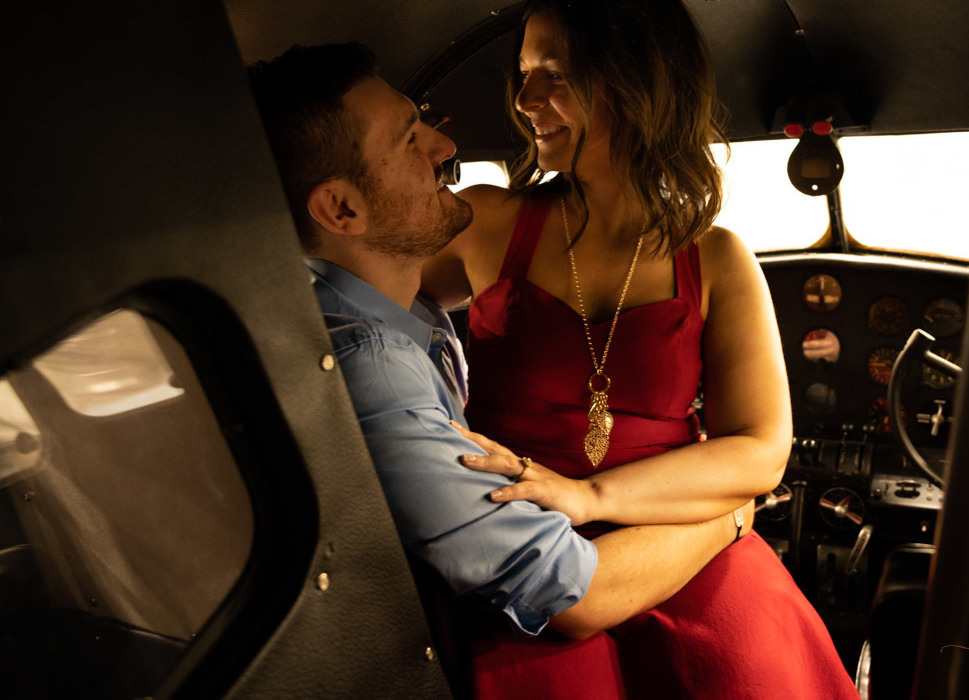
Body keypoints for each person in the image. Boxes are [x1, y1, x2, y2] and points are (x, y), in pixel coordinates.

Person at [246, 44, 756, 694]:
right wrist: (731, 515)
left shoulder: (401, 312)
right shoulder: (371, 370)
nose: (442, 148)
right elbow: (577, 591)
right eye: (409, 140)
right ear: (342, 209)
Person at [422, 0, 859, 698]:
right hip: (519, 549)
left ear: (633, 81)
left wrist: (590, 495)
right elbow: (353, 297)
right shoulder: (487, 221)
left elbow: (759, 451)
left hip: (680, 553)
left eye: (554, 75)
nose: (526, 101)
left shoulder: (715, 256)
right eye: (525, 75)